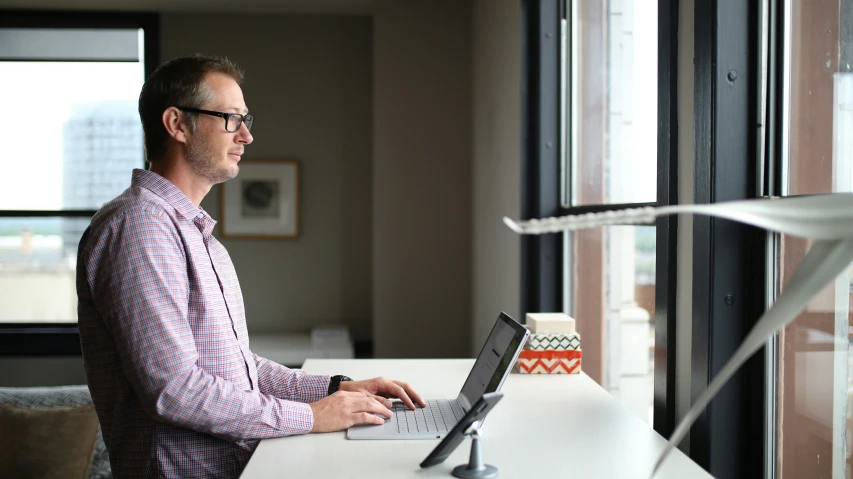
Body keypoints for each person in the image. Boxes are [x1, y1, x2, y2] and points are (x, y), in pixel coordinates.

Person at [76, 55, 425, 479]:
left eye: (245, 119)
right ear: (177, 124)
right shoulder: (139, 227)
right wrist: (313, 417)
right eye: (230, 118)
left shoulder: (194, 235)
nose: (246, 135)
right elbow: (174, 391)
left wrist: (335, 389)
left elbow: (241, 369)